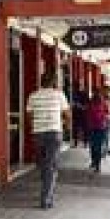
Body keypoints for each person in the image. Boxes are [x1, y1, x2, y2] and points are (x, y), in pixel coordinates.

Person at [27, 73, 70, 209]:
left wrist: (35, 127)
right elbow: (67, 115)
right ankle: (46, 199)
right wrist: (64, 126)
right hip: (54, 133)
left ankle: (46, 191)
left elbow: (29, 116)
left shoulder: (33, 96)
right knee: (50, 166)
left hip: (38, 134)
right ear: (53, 83)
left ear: (41, 82)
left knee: (44, 164)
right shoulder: (59, 95)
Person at [86, 91, 110, 173]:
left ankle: (94, 162)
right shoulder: (104, 104)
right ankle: (97, 165)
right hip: (101, 127)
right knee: (98, 146)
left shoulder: (90, 104)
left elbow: (87, 115)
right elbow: (108, 114)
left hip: (92, 127)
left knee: (93, 145)